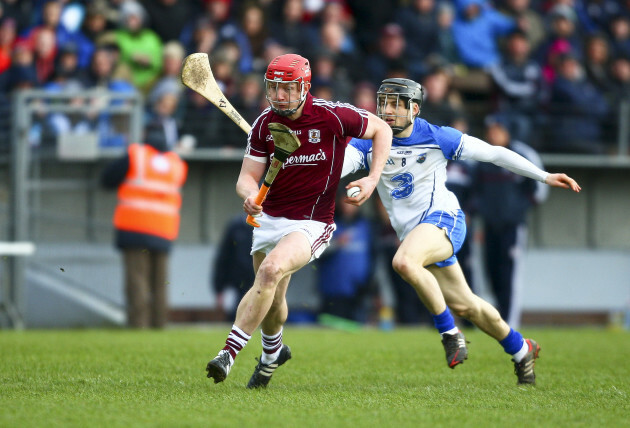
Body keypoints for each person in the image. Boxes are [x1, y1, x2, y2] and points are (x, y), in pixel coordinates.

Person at [342, 78, 580, 385]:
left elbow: (496, 153)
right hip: (415, 236)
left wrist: (544, 175)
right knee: (467, 304)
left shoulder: (437, 136)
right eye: (383, 103)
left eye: (395, 105)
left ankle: (450, 333)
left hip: (445, 219)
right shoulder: (368, 140)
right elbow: (338, 164)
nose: (386, 111)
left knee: (404, 263)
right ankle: (522, 349)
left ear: (413, 109)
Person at [205, 53, 392, 388]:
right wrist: (248, 195)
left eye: (287, 89)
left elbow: (381, 130)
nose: (279, 95)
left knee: (270, 271)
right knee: (272, 298)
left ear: (305, 86)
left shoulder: (332, 116)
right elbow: (246, 177)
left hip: (311, 221)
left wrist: (373, 178)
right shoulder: (264, 125)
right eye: (273, 87)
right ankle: (272, 354)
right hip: (269, 218)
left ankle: (228, 354)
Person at [100, 126, 188, 328]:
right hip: (164, 230)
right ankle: (159, 325)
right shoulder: (177, 164)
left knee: (137, 281)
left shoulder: (136, 156)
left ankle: (138, 326)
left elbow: (106, 180)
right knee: (160, 283)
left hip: (135, 228)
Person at [472, 115, 549, 328]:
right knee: (492, 273)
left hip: (512, 227)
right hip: (489, 227)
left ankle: (510, 324)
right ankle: (498, 323)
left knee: (509, 276)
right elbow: (475, 191)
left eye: (498, 129)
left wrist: (515, 210)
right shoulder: (483, 157)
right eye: (490, 129)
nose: (493, 133)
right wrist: (481, 211)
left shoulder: (523, 154)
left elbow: (539, 189)